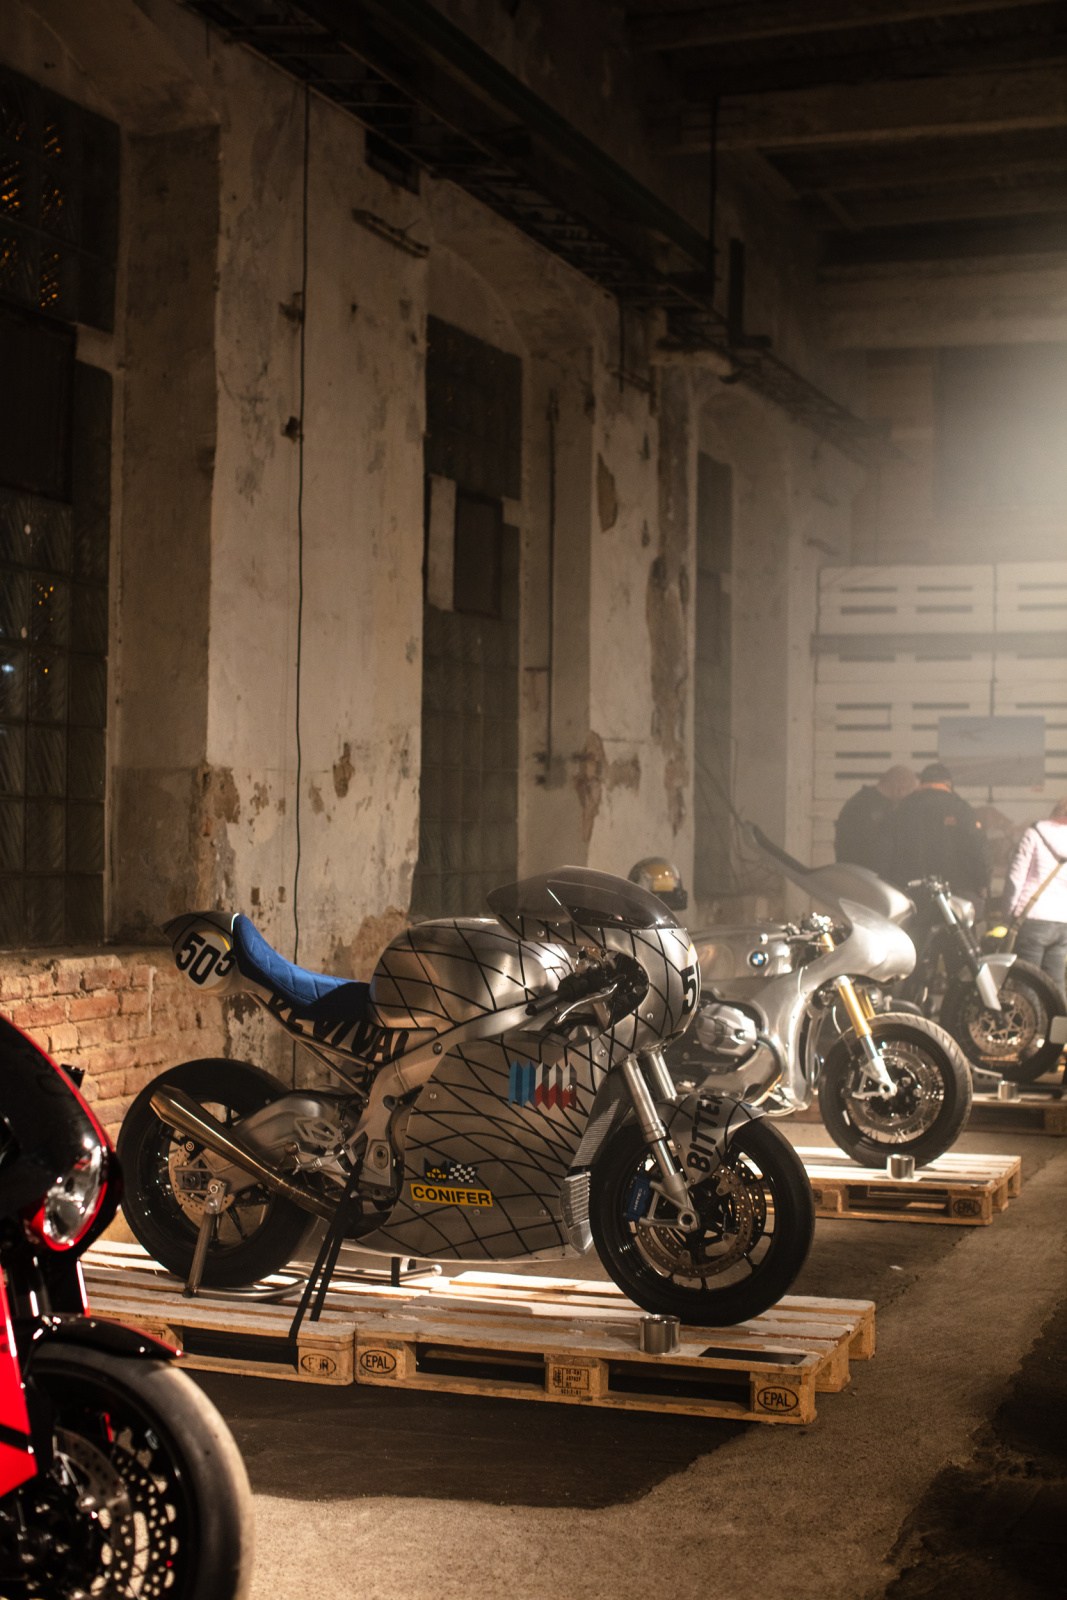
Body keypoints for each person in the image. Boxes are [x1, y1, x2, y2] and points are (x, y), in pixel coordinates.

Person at [888, 762, 988, 899]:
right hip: (957, 888)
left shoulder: (903, 808)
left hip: (912, 889)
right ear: (948, 783)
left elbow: (887, 847)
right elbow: (977, 846)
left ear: (922, 782)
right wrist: (983, 882)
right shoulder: (961, 808)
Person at [1004, 799, 1067, 994]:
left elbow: (1016, 877)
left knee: (1028, 984)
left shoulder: (1034, 834)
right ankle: (1058, 1014)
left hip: (1033, 917)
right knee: (1055, 985)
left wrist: (1010, 912)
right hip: (1062, 921)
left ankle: (1031, 1015)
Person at [833, 765, 917, 877]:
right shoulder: (871, 809)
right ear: (899, 789)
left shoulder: (861, 801)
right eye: (909, 792)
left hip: (854, 874)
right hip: (863, 877)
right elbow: (877, 849)